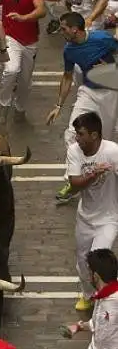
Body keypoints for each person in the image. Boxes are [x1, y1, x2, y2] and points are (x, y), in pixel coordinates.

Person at [46, 13, 118, 205]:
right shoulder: (69, 50)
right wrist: (58, 105)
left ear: (74, 29)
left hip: (111, 92)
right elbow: (68, 77)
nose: (61, 32)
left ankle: (104, 182)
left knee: (106, 140)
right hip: (88, 92)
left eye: (63, 28)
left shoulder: (101, 38)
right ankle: (73, 182)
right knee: (72, 134)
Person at [64, 112, 118, 311]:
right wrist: (94, 174)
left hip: (109, 218)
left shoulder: (112, 151)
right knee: (83, 263)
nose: (77, 138)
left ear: (94, 135)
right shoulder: (74, 151)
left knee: (98, 258)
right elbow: (75, 184)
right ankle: (88, 295)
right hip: (85, 218)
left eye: (81, 134)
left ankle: (106, 300)